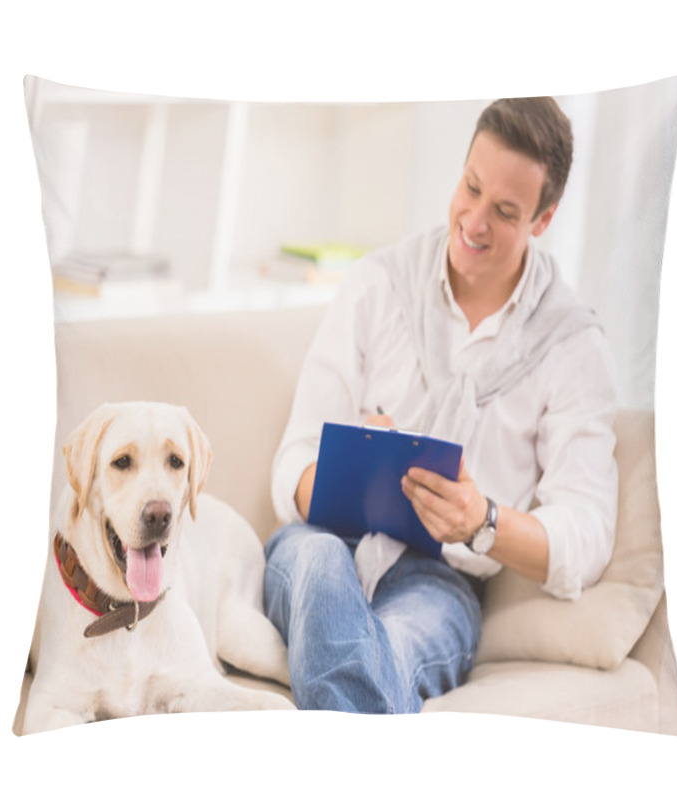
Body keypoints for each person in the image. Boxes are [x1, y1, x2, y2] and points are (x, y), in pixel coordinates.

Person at [263, 97, 618, 714]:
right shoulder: (379, 284)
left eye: (505, 211)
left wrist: (482, 521)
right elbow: (292, 460)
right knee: (320, 561)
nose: (474, 222)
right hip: (324, 543)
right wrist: (352, 470)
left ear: (545, 217)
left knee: (388, 653)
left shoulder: (571, 345)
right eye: (470, 187)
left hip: (440, 583)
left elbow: (585, 534)